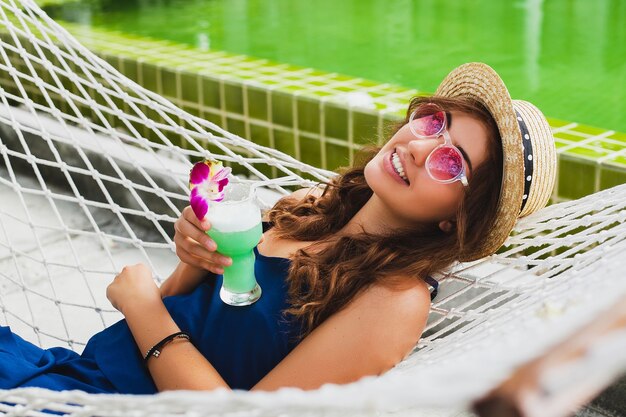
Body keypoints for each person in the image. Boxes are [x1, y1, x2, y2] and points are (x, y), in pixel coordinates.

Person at [0, 62, 556, 394]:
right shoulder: (309, 205)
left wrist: (142, 308)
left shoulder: (395, 299)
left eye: (450, 161)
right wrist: (192, 259)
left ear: (457, 218)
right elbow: (181, 312)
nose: (417, 145)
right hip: (83, 374)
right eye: (434, 121)